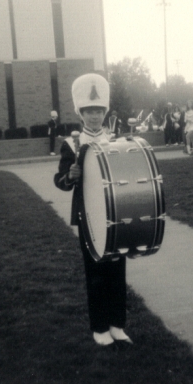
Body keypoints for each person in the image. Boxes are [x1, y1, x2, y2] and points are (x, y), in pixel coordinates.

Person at [54, 73, 132, 346]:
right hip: (88, 216)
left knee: (117, 271)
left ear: (104, 112)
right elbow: (60, 181)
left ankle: (117, 324)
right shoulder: (70, 144)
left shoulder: (116, 140)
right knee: (96, 273)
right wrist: (71, 176)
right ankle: (99, 327)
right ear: (81, 113)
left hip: (116, 213)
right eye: (89, 111)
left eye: (99, 111)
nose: (95, 116)